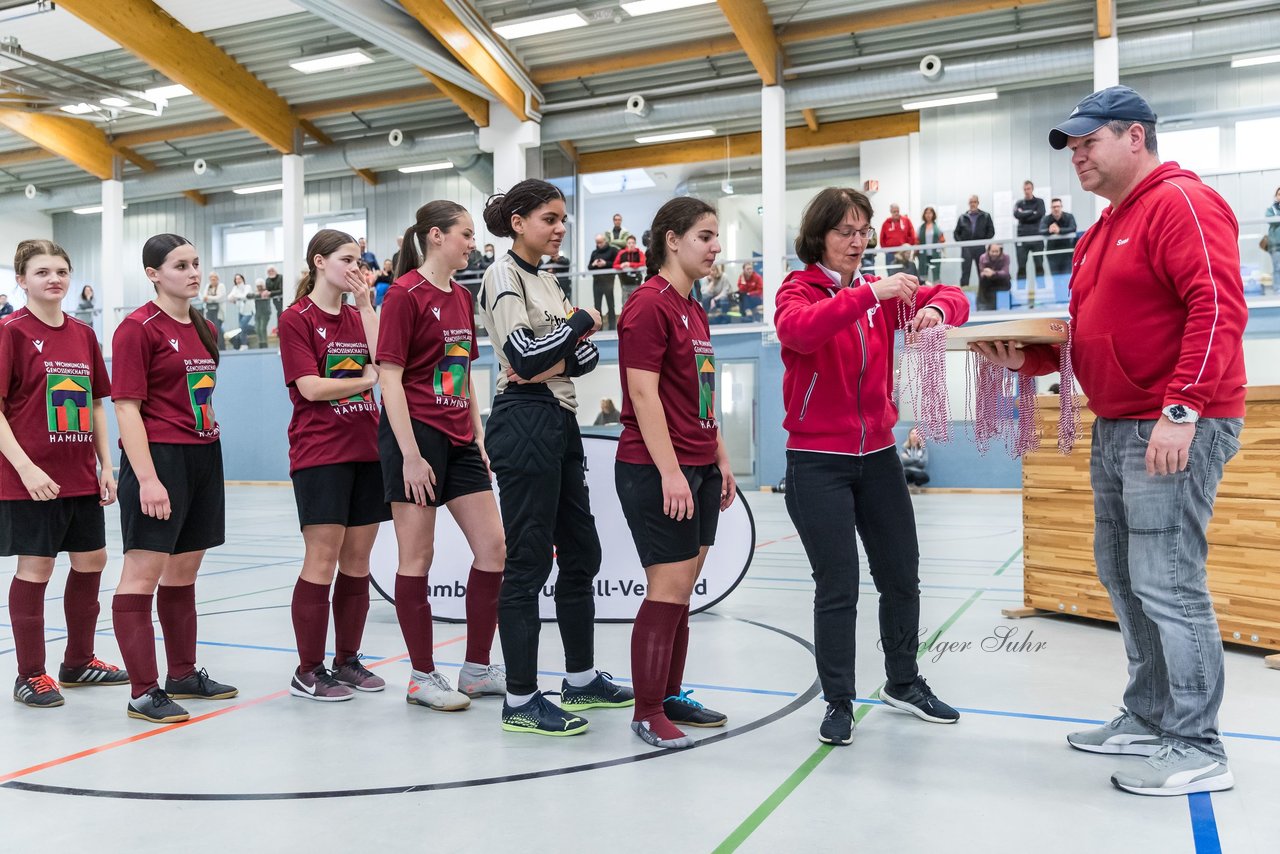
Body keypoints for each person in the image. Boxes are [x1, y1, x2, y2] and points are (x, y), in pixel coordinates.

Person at [977, 85, 1248, 796]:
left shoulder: (1180, 202)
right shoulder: (1103, 228)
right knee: (1124, 575)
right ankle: (1150, 714)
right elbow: (1089, 333)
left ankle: (1198, 744)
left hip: (1172, 422)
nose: (1077, 157)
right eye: (1070, 148)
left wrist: (1182, 409)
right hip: (1119, 420)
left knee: (1169, 579)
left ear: (1134, 137)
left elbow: (1217, 306)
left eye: (1087, 143)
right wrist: (1026, 360)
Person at [775, 187, 969, 746]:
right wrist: (868, 296)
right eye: (845, 232)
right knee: (837, 586)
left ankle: (903, 682)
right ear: (819, 237)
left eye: (864, 231)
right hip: (817, 461)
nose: (858, 242)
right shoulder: (798, 290)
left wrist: (933, 308)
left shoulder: (877, 292)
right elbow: (800, 332)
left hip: (879, 456)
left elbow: (954, 295)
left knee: (901, 576)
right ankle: (838, 699)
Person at [478, 179, 632, 736]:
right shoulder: (504, 274)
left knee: (582, 552)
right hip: (523, 419)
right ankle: (520, 699)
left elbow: (583, 361)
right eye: (549, 218)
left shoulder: (546, 279)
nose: (559, 227)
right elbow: (522, 353)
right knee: (528, 562)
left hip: (559, 420)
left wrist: (561, 347)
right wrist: (580, 323)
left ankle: (581, 677)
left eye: (563, 218)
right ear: (518, 221)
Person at [615, 197, 736, 750]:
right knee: (666, 588)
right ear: (671, 239)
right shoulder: (648, 306)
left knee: (683, 589)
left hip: (699, 463)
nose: (715, 247)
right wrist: (671, 472)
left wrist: (720, 456)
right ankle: (645, 711)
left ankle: (669, 694)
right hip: (656, 467)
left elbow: (704, 390)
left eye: (716, 238)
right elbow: (643, 394)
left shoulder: (696, 308)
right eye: (705, 236)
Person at [381, 201, 509, 712]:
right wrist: (410, 454)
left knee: (494, 547)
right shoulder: (404, 295)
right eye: (466, 234)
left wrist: (477, 434)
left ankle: (476, 669)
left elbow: (463, 371)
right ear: (436, 236)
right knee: (419, 556)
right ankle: (421, 675)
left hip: (459, 438)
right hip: (416, 437)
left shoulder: (461, 296)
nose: (472, 243)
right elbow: (389, 377)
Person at [110, 233, 235, 724]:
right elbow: (125, 408)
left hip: (204, 455)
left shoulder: (204, 327)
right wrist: (146, 478)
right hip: (159, 459)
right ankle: (143, 691)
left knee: (184, 573)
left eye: (196, 263)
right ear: (153, 274)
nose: (192, 272)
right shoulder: (136, 329)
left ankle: (182, 672)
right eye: (180, 265)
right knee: (142, 574)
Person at [1, 240, 125, 708]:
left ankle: (78, 662)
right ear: (22, 280)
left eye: (61, 271)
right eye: (41, 272)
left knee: (92, 561)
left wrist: (106, 465)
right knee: (37, 567)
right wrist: (26, 467)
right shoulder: (10, 331)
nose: (53, 279)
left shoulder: (83, 333)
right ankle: (30, 674)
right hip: (30, 477)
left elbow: (94, 403)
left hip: (80, 476)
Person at [278, 229, 389, 702]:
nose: (357, 269)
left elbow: (385, 361)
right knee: (321, 560)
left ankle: (347, 661)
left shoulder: (357, 314)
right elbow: (310, 387)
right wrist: (363, 379)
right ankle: (308, 669)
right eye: (347, 260)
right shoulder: (295, 319)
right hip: (321, 454)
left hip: (368, 450)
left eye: (361, 261)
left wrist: (366, 306)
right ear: (320, 262)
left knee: (358, 564)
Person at [954, 195, 995, 287]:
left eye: (974, 202)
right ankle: (963, 295)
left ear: (978, 203)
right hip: (967, 249)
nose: (973, 204)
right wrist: (963, 243)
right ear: (968, 203)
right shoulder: (962, 217)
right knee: (965, 273)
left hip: (980, 247)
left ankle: (984, 294)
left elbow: (991, 231)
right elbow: (956, 233)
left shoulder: (985, 216)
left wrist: (982, 240)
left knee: (982, 271)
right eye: (971, 202)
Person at [1038, 197, 1078, 286]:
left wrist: (1059, 230)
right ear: (1051, 208)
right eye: (1054, 207)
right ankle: (1058, 297)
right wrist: (1049, 230)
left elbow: (1073, 228)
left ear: (1061, 207)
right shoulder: (1046, 218)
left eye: (1058, 206)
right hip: (1052, 254)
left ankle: (1067, 299)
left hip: (1067, 253)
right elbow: (1041, 230)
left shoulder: (1069, 216)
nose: (1056, 209)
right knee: (1055, 280)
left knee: (1067, 279)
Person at [1013, 180, 1047, 284]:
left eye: (1028, 189)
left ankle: (1041, 290)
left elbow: (1040, 214)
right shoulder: (1019, 203)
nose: (1027, 191)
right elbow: (1016, 215)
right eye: (1025, 189)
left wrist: (1024, 214)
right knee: (1021, 267)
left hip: (1037, 238)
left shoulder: (1040, 202)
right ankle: (1021, 292)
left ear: (1032, 189)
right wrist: (1032, 212)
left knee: (1039, 266)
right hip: (1022, 239)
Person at [588, 233, 620, 330]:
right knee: (597, 306)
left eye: (601, 242)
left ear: (605, 241)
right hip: (597, 282)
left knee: (611, 305)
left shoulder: (613, 250)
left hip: (609, 282)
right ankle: (599, 329)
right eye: (597, 243)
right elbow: (589, 267)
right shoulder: (594, 253)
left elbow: (616, 264)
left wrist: (605, 263)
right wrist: (594, 264)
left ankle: (612, 328)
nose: (599, 245)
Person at [977, 243, 1011, 310]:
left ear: (1000, 251)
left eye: (996, 251)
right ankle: (982, 306)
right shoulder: (983, 257)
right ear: (988, 251)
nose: (994, 254)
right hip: (988, 281)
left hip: (1001, 280)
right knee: (983, 282)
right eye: (992, 251)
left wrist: (993, 273)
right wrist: (987, 273)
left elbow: (1005, 272)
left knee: (1006, 279)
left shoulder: (1006, 257)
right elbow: (982, 272)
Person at [613, 234, 646, 305]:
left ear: (635, 244)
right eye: (629, 243)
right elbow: (615, 265)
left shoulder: (639, 253)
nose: (631, 245)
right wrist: (621, 266)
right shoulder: (621, 253)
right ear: (627, 244)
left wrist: (629, 264)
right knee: (625, 305)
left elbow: (643, 263)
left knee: (637, 304)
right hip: (625, 284)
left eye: (633, 243)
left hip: (636, 283)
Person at [916, 207, 945, 283]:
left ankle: (937, 290)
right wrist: (915, 253)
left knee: (936, 275)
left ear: (933, 214)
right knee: (923, 275)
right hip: (923, 256)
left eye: (930, 213)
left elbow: (942, 241)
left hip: (935, 255)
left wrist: (944, 253)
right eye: (926, 213)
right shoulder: (920, 228)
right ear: (924, 215)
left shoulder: (938, 227)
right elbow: (917, 242)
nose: (928, 215)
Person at [228, 273, 254, 349]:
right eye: (236, 279)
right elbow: (229, 297)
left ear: (243, 279)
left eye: (239, 278)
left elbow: (245, 296)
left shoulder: (247, 286)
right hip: (241, 311)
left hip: (249, 310)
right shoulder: (235, 288)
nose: (238, 280)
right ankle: (244, 343)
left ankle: (244, 344)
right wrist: (235, 297)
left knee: (243, 325)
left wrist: (235, 297)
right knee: (242, 327)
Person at [203, 273, 226, 349]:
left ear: (217, 279)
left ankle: (221, 347)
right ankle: (213, 347)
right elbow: (204, 297)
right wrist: (211, 298)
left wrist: (209, 298)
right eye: (211, 279)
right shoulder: (207, 286)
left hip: (218, 311)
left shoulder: (221, 286)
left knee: (218, 328)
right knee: (210, 329)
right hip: (209, 311)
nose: (213, 280)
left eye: (214, 278)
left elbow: (219, 298)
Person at [1266, 187, 1280, 289]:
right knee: (1278, 268)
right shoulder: (1271, 209)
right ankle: (1277, 289)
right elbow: (1270, 220)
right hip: (1275, 246)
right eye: (1279, 194)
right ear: (1276, 196)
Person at [254, 275, 273, 348]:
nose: (259, 287)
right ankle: (260, 343)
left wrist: (260, 294)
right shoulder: (255, 293)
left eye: (260, 286)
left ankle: (264, 344)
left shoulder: (266, 292)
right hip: (257, 313)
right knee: (257, 329)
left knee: (262, 328)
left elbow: (264, 296)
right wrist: (257, 294)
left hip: (265, 313)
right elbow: (249, 295)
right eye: (257, 286)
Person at [264, 265, 284, 335]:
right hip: (276, 301)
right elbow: (267, 290)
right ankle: (279, 330)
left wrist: (270, 293)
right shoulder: (267, 280)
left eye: (272, 270)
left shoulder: (280, 277)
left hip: (283, 300)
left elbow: (281, 290)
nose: (271, 272)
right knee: (279, 313)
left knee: (281, 314)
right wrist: (266, 292)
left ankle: (281, 330)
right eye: (269, 271)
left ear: (275, 271)